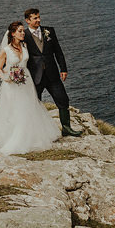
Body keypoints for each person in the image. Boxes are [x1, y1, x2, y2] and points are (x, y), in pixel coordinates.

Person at [0, 21, 61, 154]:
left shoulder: (25, 46)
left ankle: (32, 135)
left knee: (28, 106)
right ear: (13, 34)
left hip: (26, 81)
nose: (23, 33)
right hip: (11, 85)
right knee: (16, 109)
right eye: (20, 31)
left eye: (23, 31)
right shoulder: (6, 51)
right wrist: (7, 78)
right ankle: (16, 137)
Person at [23, 8, 82, 136]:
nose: (38, 20)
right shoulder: (24, 35)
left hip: (52, 74)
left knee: (63, 100)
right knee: (35, 104)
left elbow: (58, 51)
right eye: (35, 18)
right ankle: (35, 131)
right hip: (35, 76)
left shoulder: (49, 31)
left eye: (39, 17)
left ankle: (66, 128)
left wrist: (63, 68)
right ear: (27, 20)